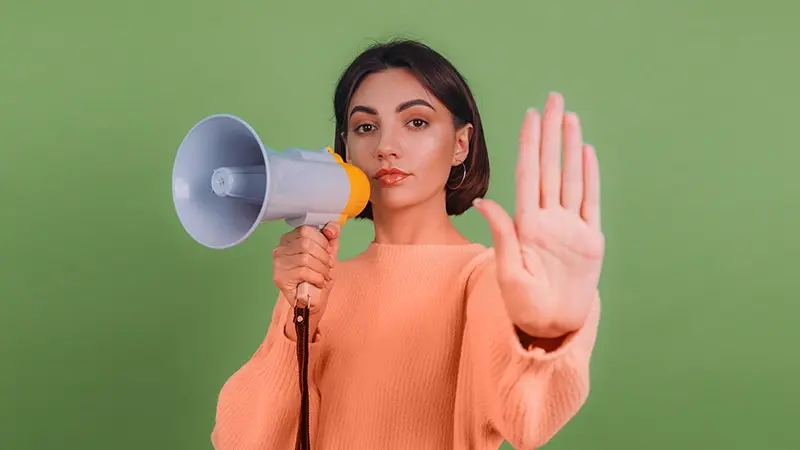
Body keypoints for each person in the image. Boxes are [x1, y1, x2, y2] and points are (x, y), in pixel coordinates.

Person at [210, 38, 605, 450]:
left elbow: (528, 421)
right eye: (366, 126)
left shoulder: (486, 279)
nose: (385, 147)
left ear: (460, 144)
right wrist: (294, 324)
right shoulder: (321, 285)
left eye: (416, 122)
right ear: (345, 148)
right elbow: (241, 442)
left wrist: (544, 336)